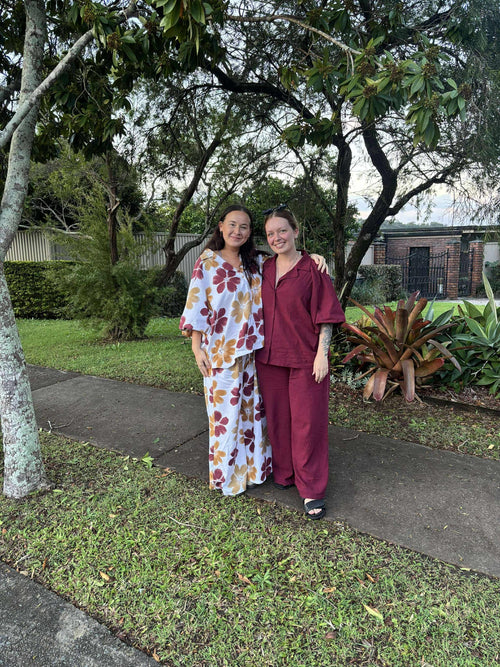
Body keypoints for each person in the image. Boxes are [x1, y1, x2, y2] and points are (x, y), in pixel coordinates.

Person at [255, 207, 345, 519]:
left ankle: (312, 489)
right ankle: (285, 473)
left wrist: (322, 354)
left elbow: (326, 315)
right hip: (269, 359)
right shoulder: (263, 268)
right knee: (279, 421)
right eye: (270, 233)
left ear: (295, 231)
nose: (276, 237)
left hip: (306, 358)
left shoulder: (313, 269)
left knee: (308, 424)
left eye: (282, 230)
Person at [179, 204, 271, 496]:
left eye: (244, 226)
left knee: (252, 417)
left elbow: (289, 259)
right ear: (221, 226)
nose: (237, 231)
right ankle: (228, 477)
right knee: (225, 419)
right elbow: (197, 306)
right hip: (220, 353)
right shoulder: (207, 263)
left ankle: (254, 472)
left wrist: (314, 257)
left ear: (250, 232)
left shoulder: (256, 262)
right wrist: (197, 349)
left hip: (252, 353)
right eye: (232, 224)